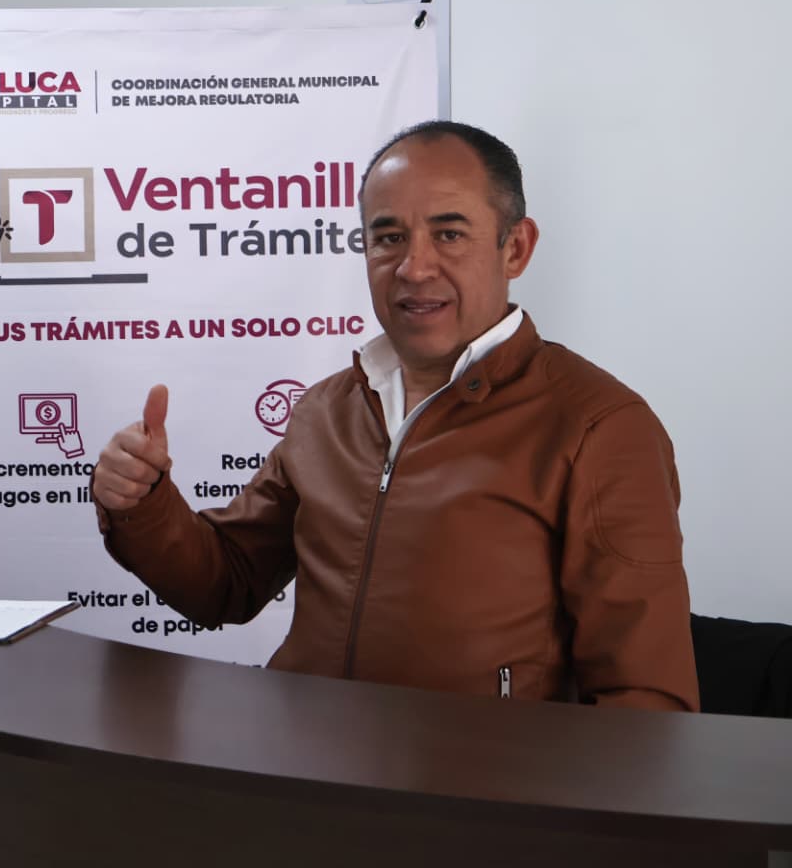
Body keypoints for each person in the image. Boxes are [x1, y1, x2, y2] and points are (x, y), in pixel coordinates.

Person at [92, 121, 699, 711]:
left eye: (449, 234)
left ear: (515, 248)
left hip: (479, 778)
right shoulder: (327, 410)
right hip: (304, 763)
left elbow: (644, 699)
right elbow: (228, 582)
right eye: (388, 238)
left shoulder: (599, 427)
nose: (414, 267)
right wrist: (143, 503)